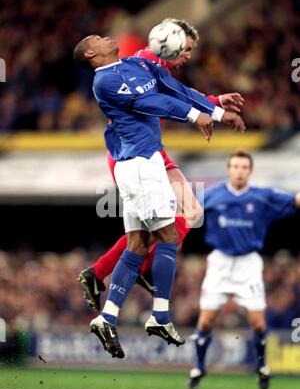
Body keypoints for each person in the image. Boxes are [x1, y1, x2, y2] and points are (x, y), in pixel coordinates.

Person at [73, 34, 245, 359]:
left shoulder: (131, 65)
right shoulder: (111, 77)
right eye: (186, 48)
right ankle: (160, 314)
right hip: (138, 161)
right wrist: (199, 115)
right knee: (168, 234)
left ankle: (107, 315)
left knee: (140, 241)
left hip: (145, 158)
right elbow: (152, 101)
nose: (187, 57)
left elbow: (173, 91)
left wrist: (212, 105)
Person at [187, 150, 300, 389]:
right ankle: (198, 366)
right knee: (205, 321)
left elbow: (294, 202)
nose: (239, 171)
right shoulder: (212, 195)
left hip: (248, 263)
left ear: (250, 171)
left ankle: (262, 366)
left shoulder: (262, 196)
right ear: (229, 170)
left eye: (243, 167)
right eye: (235, 166)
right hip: (220, 262)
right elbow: (188, 215)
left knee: (258, 323)